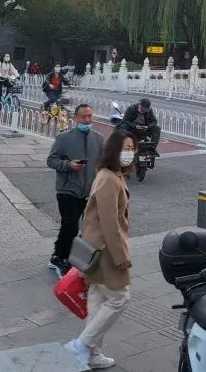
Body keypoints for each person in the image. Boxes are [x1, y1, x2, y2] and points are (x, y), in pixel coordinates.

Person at [65, 130, 135, 370]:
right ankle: (81, 345)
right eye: (125, 148)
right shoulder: (108, 179)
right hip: (104, 251)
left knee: (98, 298)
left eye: (132, 149)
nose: (130, 153)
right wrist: (120, 257)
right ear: (114, 150)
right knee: (119, 298)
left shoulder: (112, 174)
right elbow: (109, 223)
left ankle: (91, 354)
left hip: (98, 248)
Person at [46, 103, 104, 276]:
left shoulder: (98, 139)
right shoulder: (64, 138)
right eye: (83, 116)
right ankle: (58, 258)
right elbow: (51, 160)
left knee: (86, 228)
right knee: (70, 225)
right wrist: (68, 165)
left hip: (88, 192)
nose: (87, 119)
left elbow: (103, 162)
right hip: (67, 190)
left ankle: (70, 256)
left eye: (90, 116)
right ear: (76, 118)